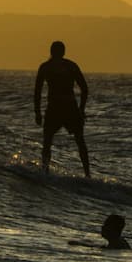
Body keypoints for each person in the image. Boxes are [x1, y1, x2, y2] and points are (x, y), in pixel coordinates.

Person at [33, 40, 91, 177]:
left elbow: (37, 92)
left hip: (55, 108)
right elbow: (84, 89)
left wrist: (38, 113)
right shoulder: (71, 66)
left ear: (51, 52)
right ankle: (87, 174)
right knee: (79, 141)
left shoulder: (45, 67)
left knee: (48, 141)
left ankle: (45, 171)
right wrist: (81, 109)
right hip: (69, 107)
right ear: (63, 52)